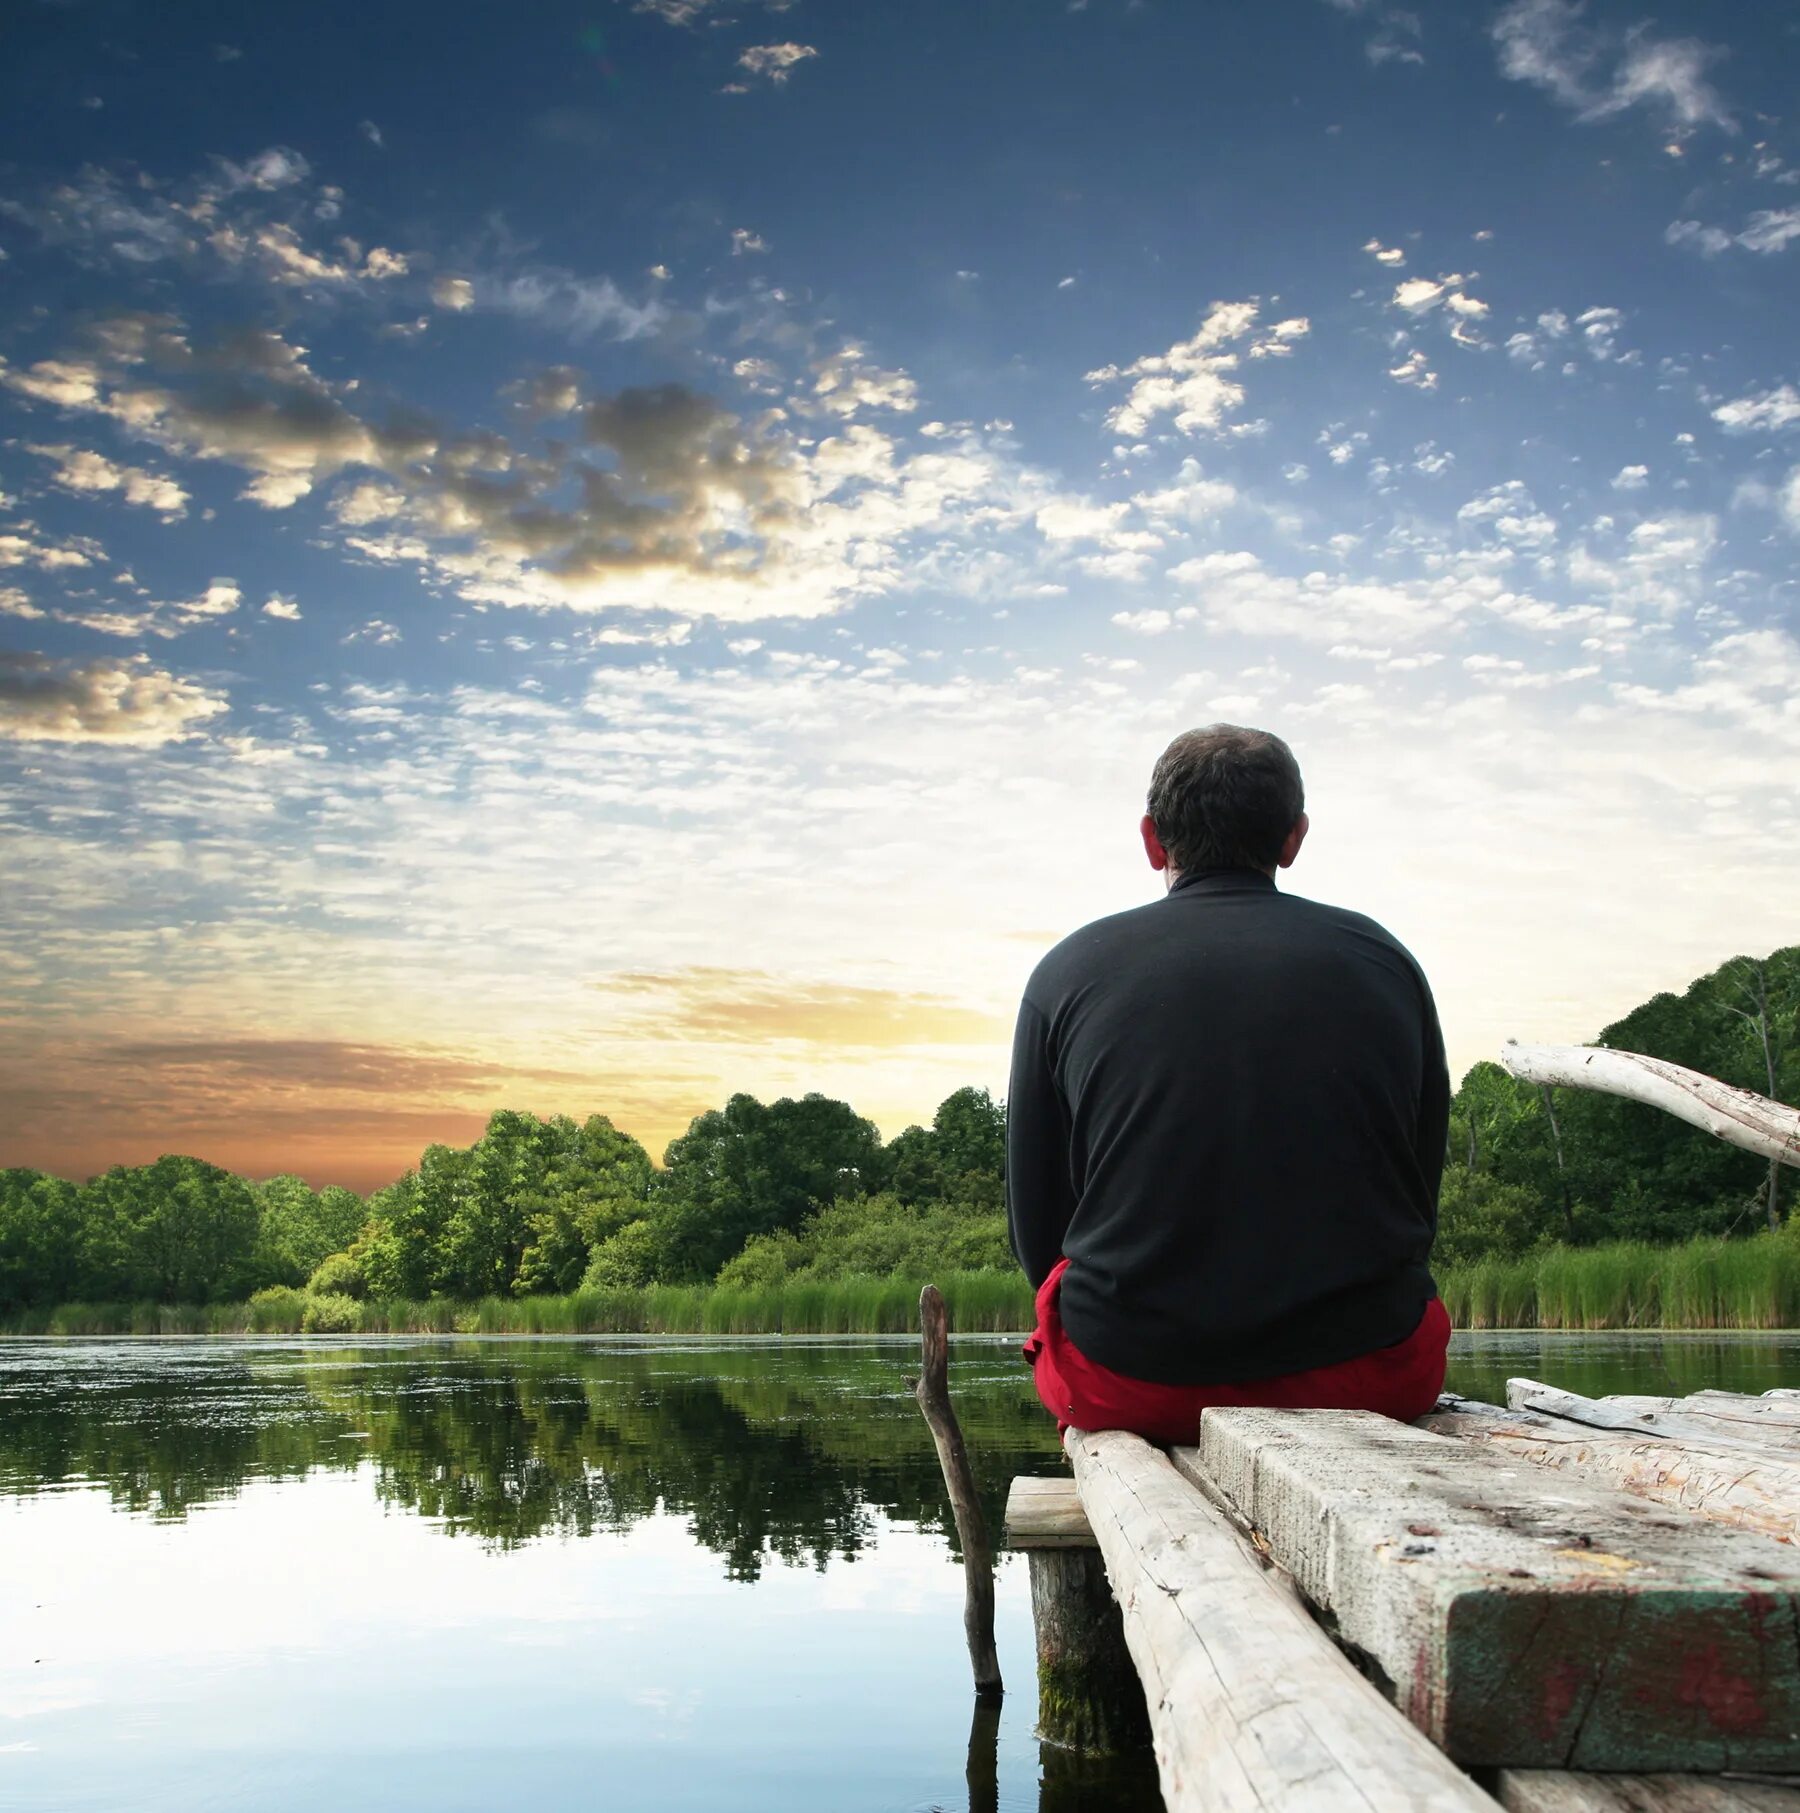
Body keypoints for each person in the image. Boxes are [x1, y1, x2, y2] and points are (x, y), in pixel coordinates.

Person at [1007, 724, 1450, 1444]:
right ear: (1293, 838)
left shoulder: (1066, 971)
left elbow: (1039, 1233)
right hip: (1370, 1375)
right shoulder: (1385, 960)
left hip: (1131, 1379)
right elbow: (1417, 1197)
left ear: (1153, 841)